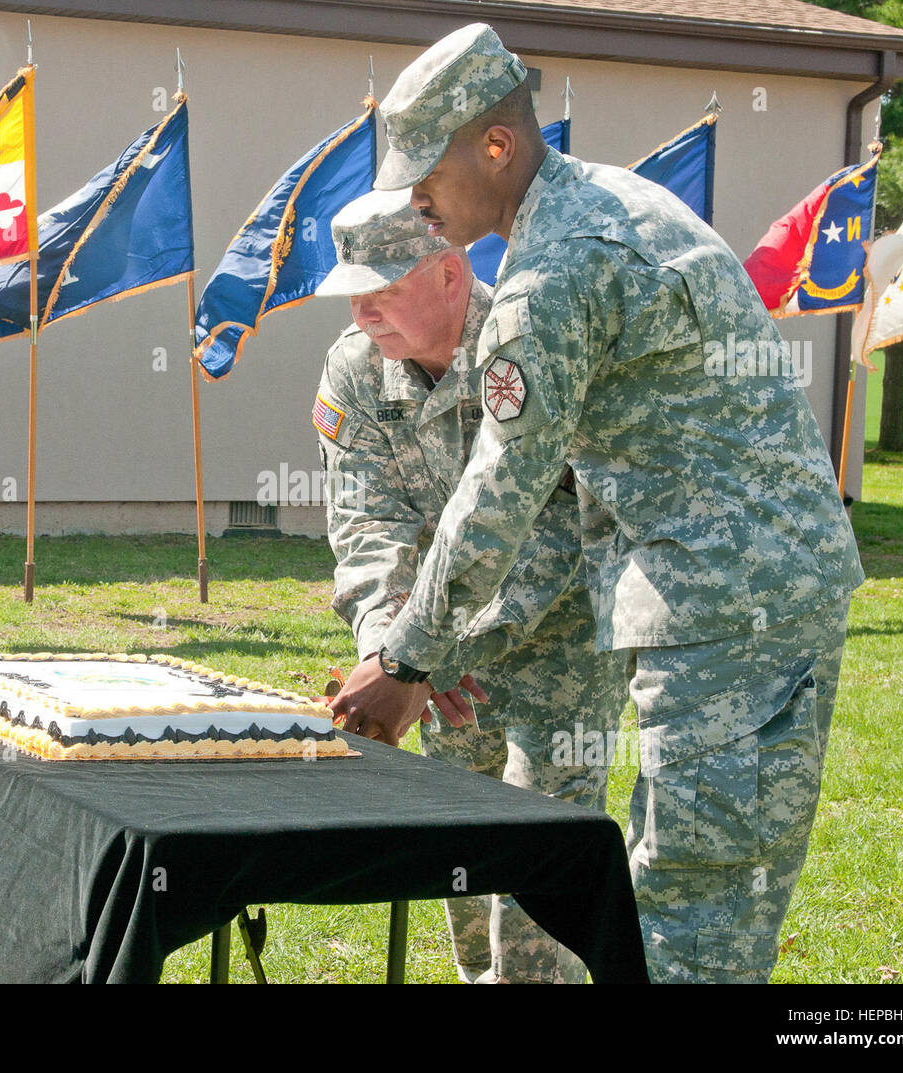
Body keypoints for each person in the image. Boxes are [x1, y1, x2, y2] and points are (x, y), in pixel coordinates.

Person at [327, 23, 865, 984]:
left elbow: (501, 491)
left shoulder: (552, 274)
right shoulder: (615, 202)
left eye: (425, 182)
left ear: (496, 145)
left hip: (720, 612)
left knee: (691, 915)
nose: (419, 205)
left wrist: (408, 658)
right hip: (750, 597)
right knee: (711, 899)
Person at [312, 188, 627, 983]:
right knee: (464, 868)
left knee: (530, 896)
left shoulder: (528, 345)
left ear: (451, 273)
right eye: (353, 291)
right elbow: (366, 523)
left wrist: (425, 661)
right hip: (432, 659)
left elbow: (561, 531)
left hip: (558, 647)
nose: (363, 312)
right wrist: (390, 647)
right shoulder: (355, 369)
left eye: (384, 288)